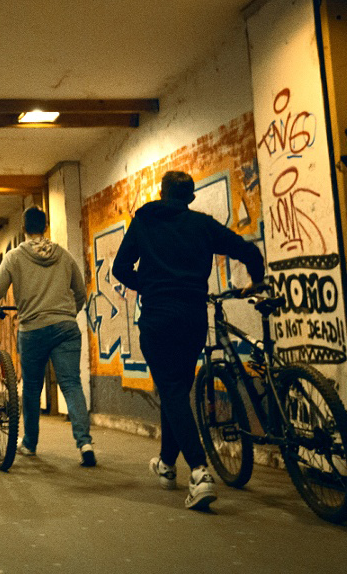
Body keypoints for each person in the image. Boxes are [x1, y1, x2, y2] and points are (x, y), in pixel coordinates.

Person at [111, 170, 265, 512]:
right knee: (176, 389)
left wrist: (149, 285)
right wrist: (257, 282)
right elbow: (247, 251)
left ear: (162, 193)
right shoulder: (202, 225)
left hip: (158, 319)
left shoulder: (144, 222)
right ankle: (167, 464)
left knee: (172, 390)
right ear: (190, 197)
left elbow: (120, 269)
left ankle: (199, 472)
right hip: (193, 318)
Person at [0, 206, 94, 466]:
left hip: (33, 329)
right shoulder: (64, 255)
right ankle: (84, 444)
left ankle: (30, 443)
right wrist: (68, 314)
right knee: (71, 384)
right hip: (65, 328)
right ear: (46, 226)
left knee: (31, 388)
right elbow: (80, 292)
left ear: (24, 228)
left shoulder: (15, 257)